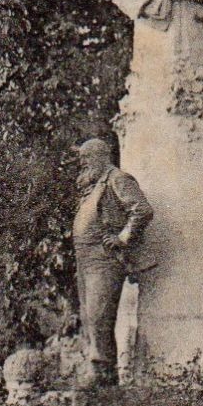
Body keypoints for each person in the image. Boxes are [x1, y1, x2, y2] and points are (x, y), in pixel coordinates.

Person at [71, 137, 154, 387]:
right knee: (88, 317)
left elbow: (142, 209)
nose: (83, 163)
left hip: (104, 260)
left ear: (100, 156)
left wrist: (122, 238)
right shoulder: (93, 186)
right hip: (85, 260)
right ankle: (98, 374)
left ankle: (103, 377)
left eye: (86, 158)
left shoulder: (117, 178)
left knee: (99, 317)